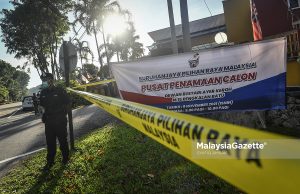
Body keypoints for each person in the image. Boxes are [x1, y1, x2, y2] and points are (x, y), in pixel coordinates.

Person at [39, 73, 70, 170]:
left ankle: (65, 158)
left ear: (51, 80)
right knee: (50, 142)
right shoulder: (43, 92)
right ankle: (50, 161)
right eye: (43, 80)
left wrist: (63, 114)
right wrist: (42, 114)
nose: (44, 81)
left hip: (60, 120)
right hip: (49, 121)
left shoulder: (60, 90)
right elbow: (41, 106)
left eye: (46, 79)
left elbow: (68, 102)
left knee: (63, 140)